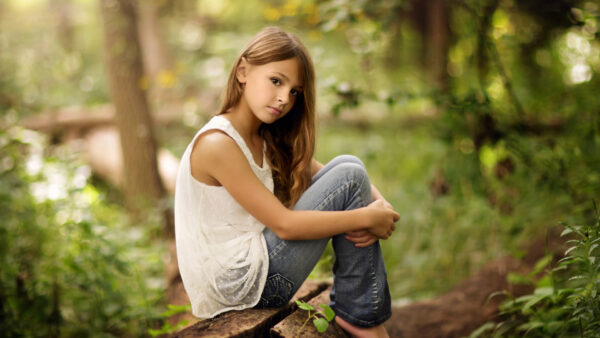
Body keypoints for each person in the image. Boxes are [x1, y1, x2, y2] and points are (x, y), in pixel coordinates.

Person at [174, 26, 400, 338]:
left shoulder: (263, 136)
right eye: (276, 81)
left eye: (294, 91)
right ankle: (363, 317)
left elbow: (331, 174)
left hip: (257, 272)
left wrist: (380, 205)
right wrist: (366, 217)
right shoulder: (218, 143)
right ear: (243, 71)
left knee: (350, 166)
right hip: (240, 288)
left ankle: (359, 312)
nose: (284, 98)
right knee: (350, 175)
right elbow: (285, 225)